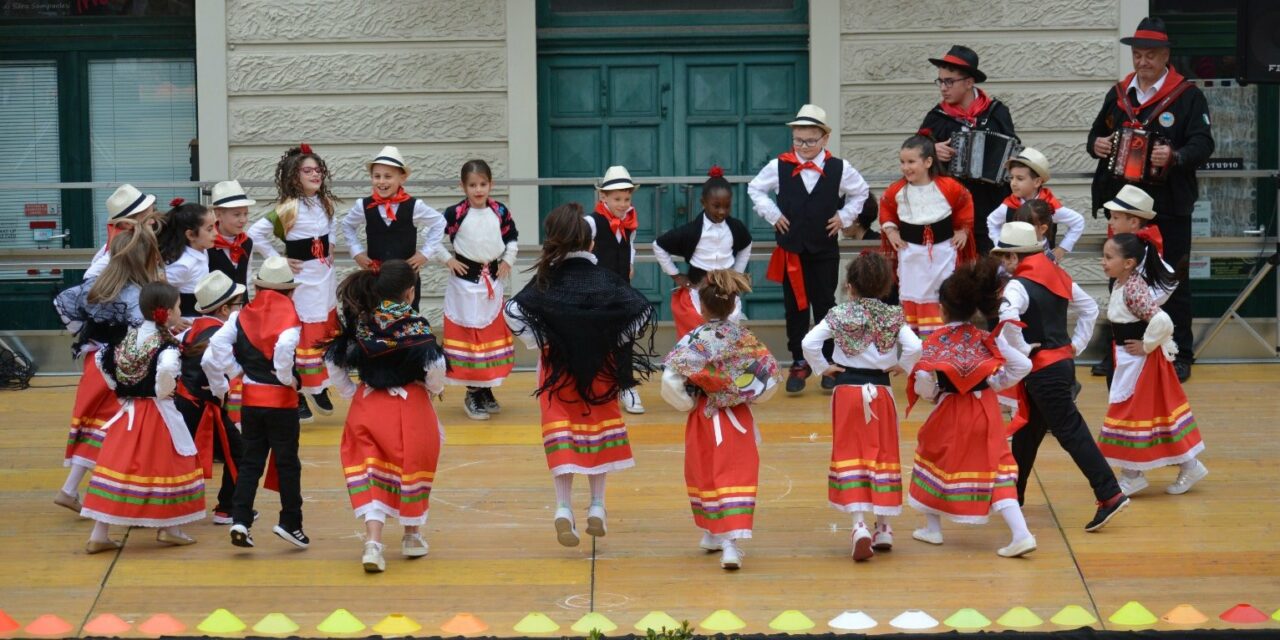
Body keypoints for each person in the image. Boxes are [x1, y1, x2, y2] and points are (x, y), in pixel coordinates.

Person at [505, 203, 656, 548]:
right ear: (590, 244)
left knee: (565, 437)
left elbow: (512, 311)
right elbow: (643, 311)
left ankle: (562, 506)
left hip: (556, 372)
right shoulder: (605, 280)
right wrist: (613, 338)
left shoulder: (545, 281)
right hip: (600, 371)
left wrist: (541, 339)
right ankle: (598, 505)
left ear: (552, 242)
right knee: (596, 434)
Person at [1087, 16, 1214, 382]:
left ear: (1166, 56)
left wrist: (1174, 156)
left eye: (1150, 56)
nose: (1142, 63)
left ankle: (1178, 352)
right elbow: (1097, 135)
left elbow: (1203, 144)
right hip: (1125, 205)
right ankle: (1117, 351)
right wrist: (1097, 145)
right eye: (1138, 55)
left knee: (1173, 279)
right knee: (1120, 276)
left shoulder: (1187, 95)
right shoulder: (1120, 93)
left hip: (1168, 204)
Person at [992, 222, 1130, 532]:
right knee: (1027, 433)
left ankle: (1109, 493)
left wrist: (1022, 351)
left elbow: (1008, 318)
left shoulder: (1017, 285)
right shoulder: (1056, 274)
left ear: (1014, 257)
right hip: (1059, 365)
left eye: (1003, 256)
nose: (1001, 263)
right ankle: (1013, 494)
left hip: (1042, 370)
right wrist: (1075, 346)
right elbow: (1090, 308)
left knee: (1071, 432)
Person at [905, 258, 1035, 558]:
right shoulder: (985, 339)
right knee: (998, 466)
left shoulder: (934, 342)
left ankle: (933, 529)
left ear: (942, 308)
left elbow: (923, 380)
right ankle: (1021, 533)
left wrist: (934, 394)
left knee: (932, 457)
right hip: (986, 410)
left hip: (949, 410)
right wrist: (993, 384)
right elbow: (1023, 365)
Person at [324, 260, 446, 573]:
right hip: (410, 406)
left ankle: (373, 543)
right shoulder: (415, 325)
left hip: (368, 406)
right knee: (412, 468)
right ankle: (412, 535)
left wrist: (351, 392)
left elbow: (333, 360)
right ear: (409, 291)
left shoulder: (362, 322)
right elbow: (435, 369)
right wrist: (433, 389)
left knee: (372, 473)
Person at [802, 251, 921, 561]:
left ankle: (859, 525)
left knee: (849, 453)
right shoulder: (893, 316)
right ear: (885, 286)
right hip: (880, 391)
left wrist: (823, 367)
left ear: (849, 286)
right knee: (883, 453)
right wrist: (900, 365)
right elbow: (916, 346)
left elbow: (808, 343)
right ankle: (883, 527)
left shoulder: (839, 314)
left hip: (847, 392)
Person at [661, 269, 779, 570]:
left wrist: (688, 403)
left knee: (705, 471)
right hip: (736, 415)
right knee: (735, 473)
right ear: (734, 305)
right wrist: (745, 396)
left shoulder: (693, 338)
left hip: (704, 414)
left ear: (702, 307)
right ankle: (727, 542)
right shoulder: (745, 339)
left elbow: (670, 382)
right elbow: (769, 381)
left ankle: (714, 532)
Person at [748, 104, 870, 394]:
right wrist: (773, 215)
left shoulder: (839, 168)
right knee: (795, 309)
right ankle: (799, 360)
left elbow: (861, 192)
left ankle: (829, 361)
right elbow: (755, 189)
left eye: (810, 141)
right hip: (792, 250)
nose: (803, 146)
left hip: (824, 250)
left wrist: (844, 217)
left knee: (825, 304)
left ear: (824, 139)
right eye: (798, 140)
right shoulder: (780, 166)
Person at [82, 282, 204, 552]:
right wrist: (164, 392)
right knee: (167, 465)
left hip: (128, 411)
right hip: (157, 413)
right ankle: (170, 528)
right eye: (178, 306)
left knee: (119, 467)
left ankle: (99, 533)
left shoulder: (127, 337)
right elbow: (168, 368)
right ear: (169, 312)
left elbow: (102, 359)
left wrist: (118, 388)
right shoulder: (165, 345)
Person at [52, 224, 162, 514]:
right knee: (116, 429)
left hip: (95, 362)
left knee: (97, 427)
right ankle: (115, 496)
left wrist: (87, 332)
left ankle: (70, 489)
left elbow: (63, 303)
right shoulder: (137, 294)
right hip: (118, 366)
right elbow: (142, 332)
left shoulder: (100, 285)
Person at [202, 256, 310, 550]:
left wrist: (236, 371)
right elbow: (286, 348)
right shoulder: (290, 319)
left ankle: (240, 518)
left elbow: (217, 346)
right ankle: (291, 522)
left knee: (251, 461)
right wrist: (287, 378)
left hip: (250, 400)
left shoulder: (240, 316)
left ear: (260, 288)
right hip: (281, 401)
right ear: (289, 291)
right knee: (288, 464)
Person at [1098, 233, 1207, 496]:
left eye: (1108, 257)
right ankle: (1185, 466)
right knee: (1152, 417)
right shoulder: (1123, 283)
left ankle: (1133, 474)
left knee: (1133, 415)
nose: (1103, 262)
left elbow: (1162, 321)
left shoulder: (1134, 288)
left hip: (1140, 363)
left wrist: (1146, 345)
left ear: (1128, 263)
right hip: (1129, 359)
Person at [247, 143, 340, 423]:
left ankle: (319, 384)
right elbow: (255, 233)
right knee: (302, 334)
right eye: (307, 171)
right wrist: (278, 259)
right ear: (294, 176)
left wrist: (331, 244)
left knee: (324, 330)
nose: (315, 174)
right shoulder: (289, 208)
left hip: (324, 276)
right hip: (301, 280)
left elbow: (332, 225)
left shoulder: (324, 203)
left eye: (318, 170)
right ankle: (299, 388)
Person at [440, 159, 518, 420]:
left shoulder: (500, 211)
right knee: (470, 339)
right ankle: (472, 391)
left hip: (491, 286)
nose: (478, 190)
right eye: (473, 185)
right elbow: (432, 239)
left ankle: (486, 388)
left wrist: (507, 260)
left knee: (488, 339)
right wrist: (448, 260)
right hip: (464, 288)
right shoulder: (455, 214)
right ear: (463, 186)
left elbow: (512, 238)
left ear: (490, 184)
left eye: (483, 184)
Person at [919, 45, 1016, 255]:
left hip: (990, 207)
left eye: (949, 81)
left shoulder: (996, 112)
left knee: (990, 271)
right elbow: (913, 154)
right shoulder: (937, 117)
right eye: (940, 81)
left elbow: (1013, 152)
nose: (943, 87)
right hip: (951, 210)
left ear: (969, 82)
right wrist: (932, 150)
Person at [879, 135, 976, 338]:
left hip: (943, 253)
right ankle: (917, 350)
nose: (906, 167)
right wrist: (891, 231)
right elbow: (886, 208)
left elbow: (965, 202)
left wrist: (963, 230)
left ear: (928, 162)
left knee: (944, 294)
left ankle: (945, 341)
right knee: (912, 297)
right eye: (902, 162)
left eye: (911, 162)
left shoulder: (949, 186)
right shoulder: (896, 190)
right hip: (911, 254)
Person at [174, 271, 248, 526]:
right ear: (226, 309)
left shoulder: (189, 329)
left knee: (177, 456)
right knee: (240, 452)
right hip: (204, 406)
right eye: (240, 303)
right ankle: (228, 509)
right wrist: (220, 392)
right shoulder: (224, 335)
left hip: (181, 403)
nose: (243, 307)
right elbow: (212, 366)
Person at [340, 145, 449, 310]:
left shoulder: (414, 206)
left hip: (405, 277)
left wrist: (425, 254)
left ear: (402, 178)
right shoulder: (364, 205)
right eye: (377, 176)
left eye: (388, 176)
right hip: (375, 275)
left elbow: (439, 222)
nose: (382, 181)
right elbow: (347, 225)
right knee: (374, 313)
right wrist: (357, 253)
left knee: (407, 315)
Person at [653, 166, 752, 339]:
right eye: (716, 206)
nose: (722, 211)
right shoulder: (691, 231)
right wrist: (675, 275)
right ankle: (697, 364)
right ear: (703, 202)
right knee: (697, 333)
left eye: (727, 206)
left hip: (727, 290)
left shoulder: (736, 228)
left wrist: (736, 274)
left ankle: (724, 363)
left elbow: (746, 245)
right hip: (698, 288)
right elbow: (658, 245)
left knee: (729, 330)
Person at [1092, 185, 1176, 379]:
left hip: (1137, 340)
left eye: (1115, 217)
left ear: (1133, 222)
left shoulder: (1144, 253)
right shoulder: (1124, 249)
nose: (1110, 222)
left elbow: (1170, 279)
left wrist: (1139, 302)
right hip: (1121, 342)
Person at [586, 165, 647, 413]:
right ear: (603, 197)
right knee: (594, 341)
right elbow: (576, 248)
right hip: (596, 293)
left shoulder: (629, 222)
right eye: (617, 199)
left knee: (625, 339)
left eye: (627, 198)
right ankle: (590, 387)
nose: (623, 204)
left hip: (621, 290)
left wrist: (630, 263)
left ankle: (626, 386)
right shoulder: (591, 222)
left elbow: (631, 245)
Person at [984, 148, 1085, 261]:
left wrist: (1062, 248)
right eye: (1011, 178)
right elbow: (991, 222)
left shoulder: (1050, 207)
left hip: (1044, 264)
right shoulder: (1008, 206)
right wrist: (1000, 245)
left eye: (1020, 178)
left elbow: (1078, 221)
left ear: (1037, 182)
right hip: (1014, 265)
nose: (1013, 183)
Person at [83, 184, 159, 280]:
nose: (153, 221)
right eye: (148, 218)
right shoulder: (125, 248)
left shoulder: (123, 243)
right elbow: (90, 275)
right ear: (127, 224)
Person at [158, 198, 217, 318]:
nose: (216, 233)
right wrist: (174, 320)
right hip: (186, 323)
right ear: (190, 234)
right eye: (209, 229)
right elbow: (159, 294)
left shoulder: (203, 251)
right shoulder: (183, 264)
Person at [207, 180, 256, 289]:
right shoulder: (207, 244)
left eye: (245, 214)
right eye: (237, 215)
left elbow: (247, 276)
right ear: (218, 214)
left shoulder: (247, 242)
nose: (243, 220)